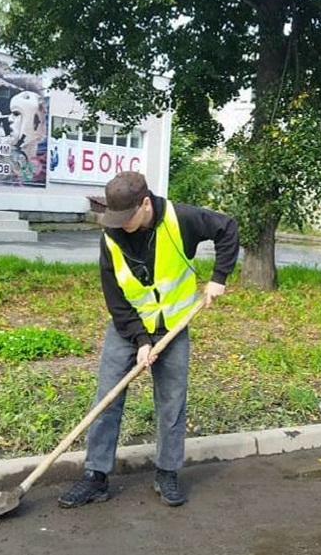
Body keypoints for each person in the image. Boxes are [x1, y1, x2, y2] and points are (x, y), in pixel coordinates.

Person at [60, 171, 239, 508]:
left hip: (173, 324)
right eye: (117, 218)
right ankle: (95, 477)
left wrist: (219, 277)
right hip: (126, 326)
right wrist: (140, 339)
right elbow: (113, 295)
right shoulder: (111, 235)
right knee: (106, 400)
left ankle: (167, 473)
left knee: (172, 401)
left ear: (145, 204)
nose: (121, 224)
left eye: (128, 217)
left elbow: (226, 227)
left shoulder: (181, 218)